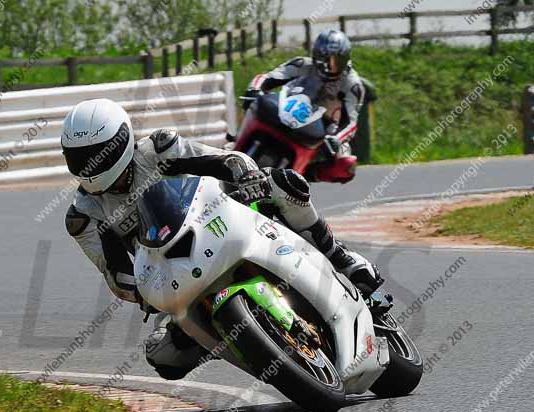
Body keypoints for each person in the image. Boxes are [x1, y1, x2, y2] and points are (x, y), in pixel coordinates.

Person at [62, 98, 383, 380]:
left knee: (286, 184)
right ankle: (237, 337)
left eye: (98, 154)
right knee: (163, 357)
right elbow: (116, 274)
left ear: (121, 142)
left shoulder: (158, 150)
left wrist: (248, 176)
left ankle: (338, 255)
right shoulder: (84, 216)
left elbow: (227, 160)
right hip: (174, 272)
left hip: (220, 220)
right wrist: (142, 292)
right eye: (80, 158)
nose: (91, 166)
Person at [244, 29, 366, 180]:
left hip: (325, 130)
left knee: (346, 166)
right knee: (254, 103)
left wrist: (336, 138)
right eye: (324, 59)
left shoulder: (353, 85)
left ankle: (307, 174)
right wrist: (254, 89)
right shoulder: (302, 64)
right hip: (289, 108)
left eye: (336, 61)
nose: (329, 66)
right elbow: (267, 77)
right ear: (315, 55)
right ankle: (234, 143)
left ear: (346, 58)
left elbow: (351, 122)